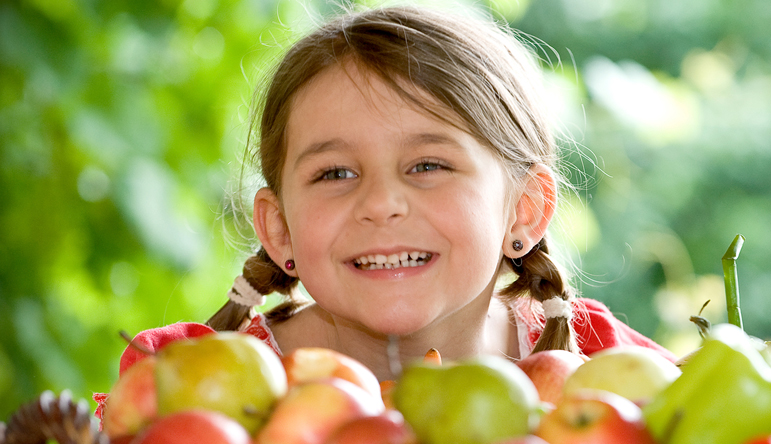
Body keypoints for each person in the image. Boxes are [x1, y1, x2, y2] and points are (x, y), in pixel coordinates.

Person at [197, 3, 676, 382]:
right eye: (336, 174)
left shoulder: (611, 368)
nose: (381, 204)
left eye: (428, 165)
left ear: (524, 211)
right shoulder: (188, 384)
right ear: (279, 230)